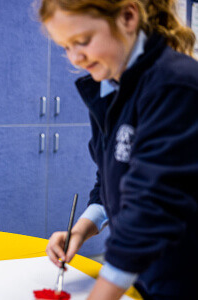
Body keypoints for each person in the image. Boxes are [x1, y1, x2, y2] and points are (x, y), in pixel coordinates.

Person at [39, 0, 198, 299]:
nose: (75, 57)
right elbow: (112, 177)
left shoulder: (175, 85)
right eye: (65, 47)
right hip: (144, 276)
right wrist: (82, 229)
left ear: (127, 16)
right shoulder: (111, 89)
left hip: (184, 276)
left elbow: (152, 205)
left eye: (82, 41)